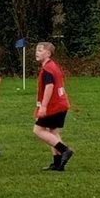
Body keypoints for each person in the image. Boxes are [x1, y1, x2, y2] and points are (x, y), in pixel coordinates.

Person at [33, 41, 74, 171]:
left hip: (54, 106)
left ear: (48, 53)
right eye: (37, 50)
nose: (37, 53)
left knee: (38, 130)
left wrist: (43, 107)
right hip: (61, 104)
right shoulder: (52, 66)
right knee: (53, 131)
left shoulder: (48, 69)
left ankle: (65, 150)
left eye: (40, 50)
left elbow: (49, 87)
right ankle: (58, 163)